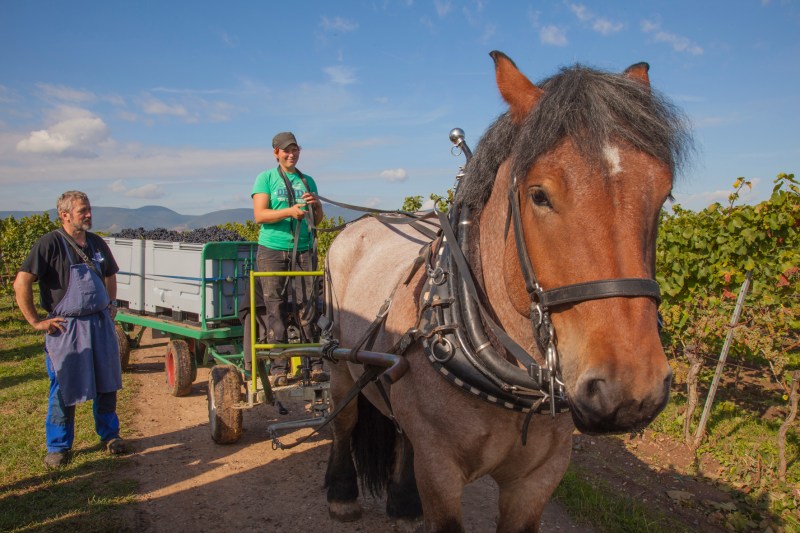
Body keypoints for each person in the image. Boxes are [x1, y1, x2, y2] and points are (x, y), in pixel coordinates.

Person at [13, 191, 126, 469]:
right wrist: (36, 321)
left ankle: (110, 436)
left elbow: (110, 274)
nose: (88, 214)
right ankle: (59, 446)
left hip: (100, 324)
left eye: (88, 209)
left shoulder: (96, 243)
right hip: (67, 327)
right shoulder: (49, 244)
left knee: (106, 383)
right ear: (65, 215)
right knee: (64, 386)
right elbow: (21, 283)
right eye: (82, 211)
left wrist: (110, 304)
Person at [251, 132, 329, 386]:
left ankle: (315, 365)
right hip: (272, 251)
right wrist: (290, 211)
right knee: (276, 309)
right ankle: (279, 369)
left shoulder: (308, 181)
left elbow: (317, 221)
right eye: (286, 150)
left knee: (309, 307)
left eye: (295, 149)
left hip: (304, 250)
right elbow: (260, 215)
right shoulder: (266, 178)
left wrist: (315, 205)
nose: (291, 154)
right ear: (276, 152)